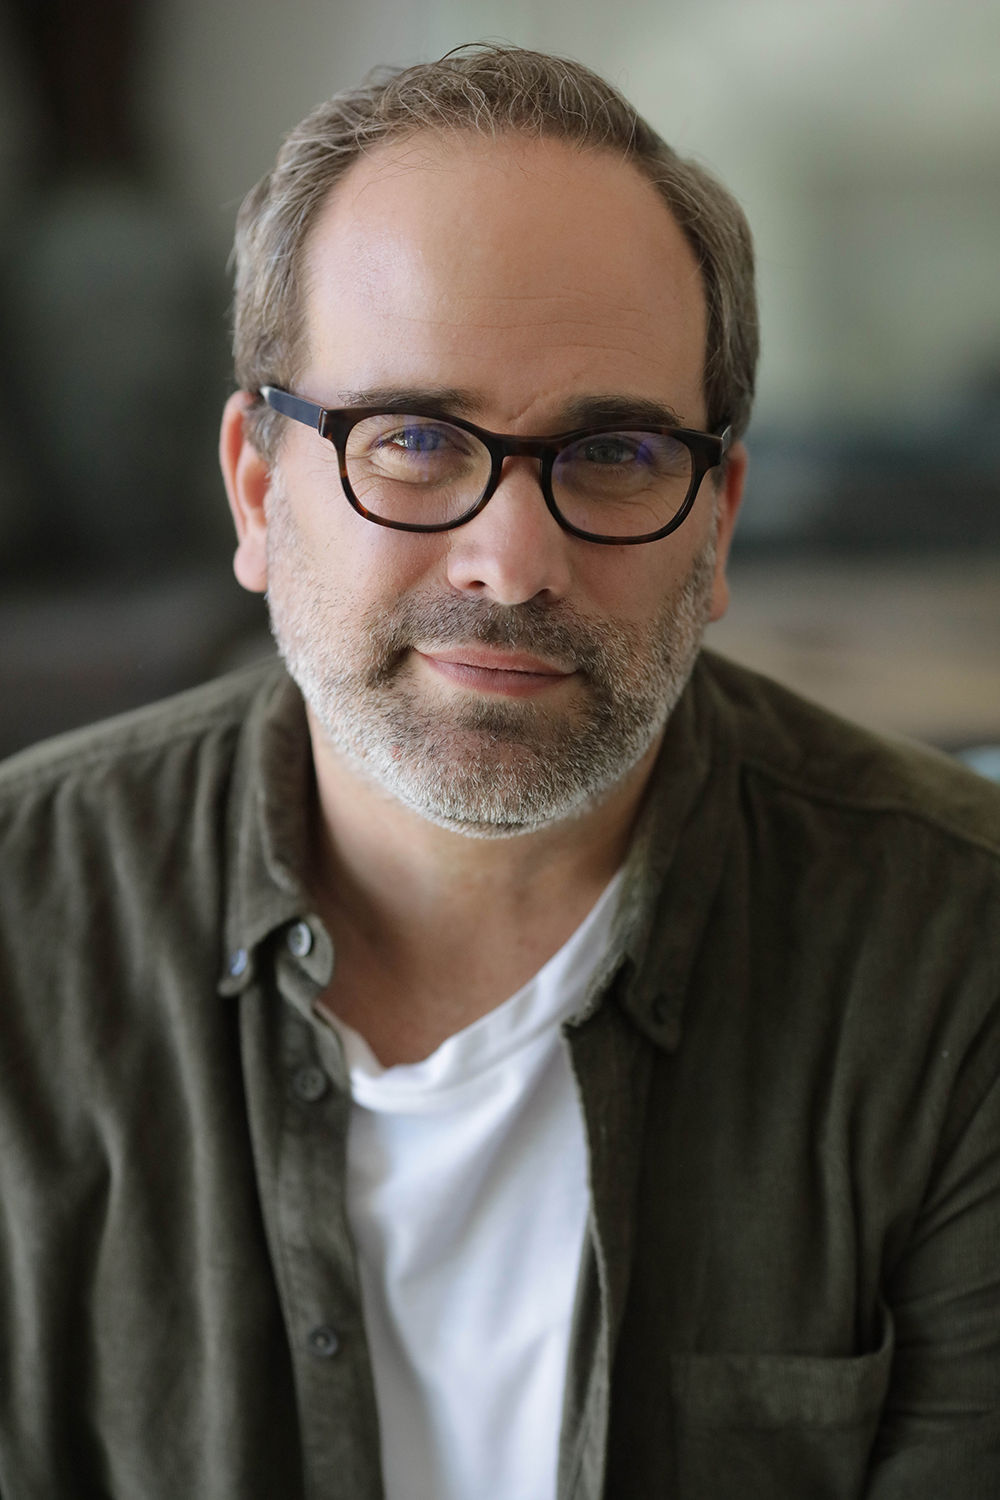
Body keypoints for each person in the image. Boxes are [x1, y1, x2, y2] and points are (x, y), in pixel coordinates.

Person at [0, 44, 998, 1500]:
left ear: (718, 522)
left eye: (614, 453)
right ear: (260, 492)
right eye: (412, 439)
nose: (512, 563)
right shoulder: (22, 926)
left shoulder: (961, 962)